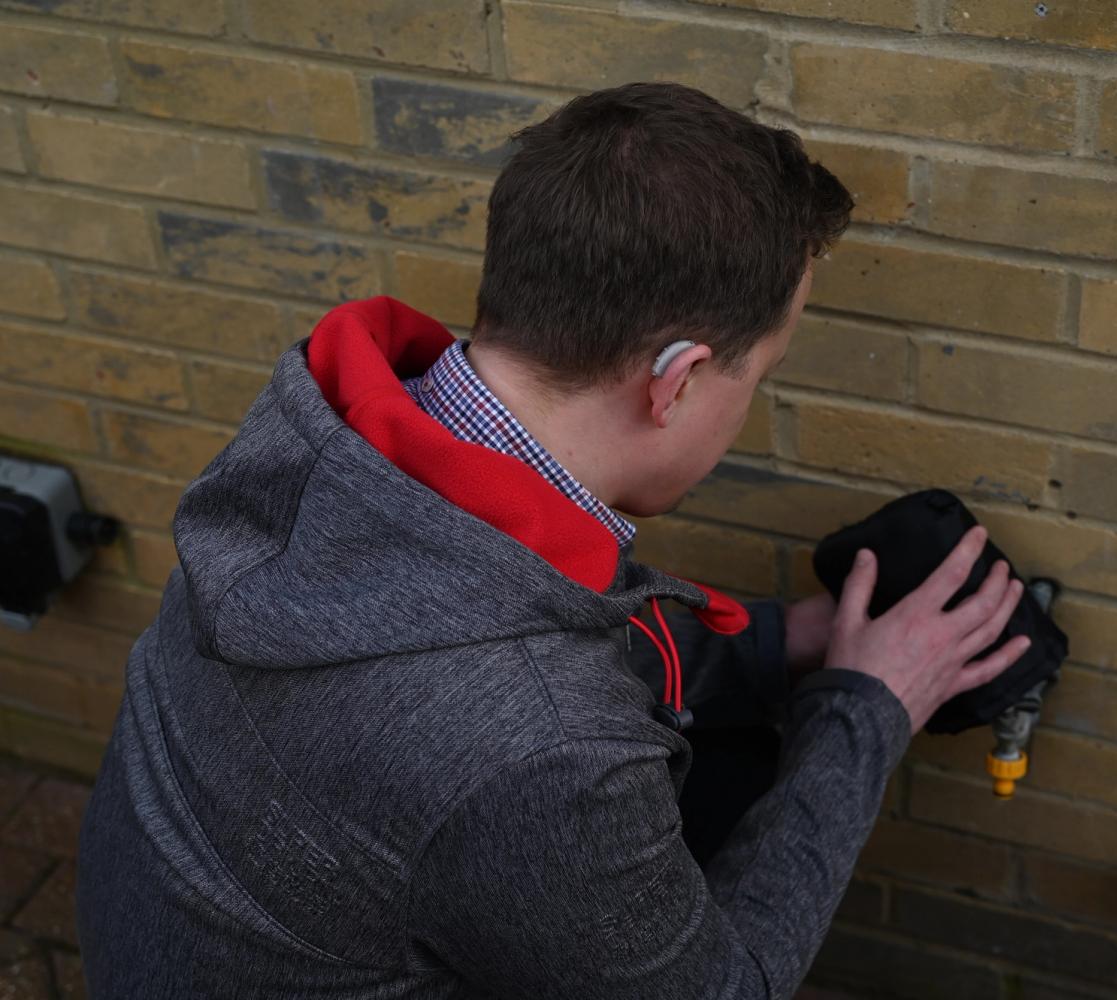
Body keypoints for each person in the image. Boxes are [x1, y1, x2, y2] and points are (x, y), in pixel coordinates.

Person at [74, 81, 1030, 999]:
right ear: (678, 379)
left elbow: (504, 618)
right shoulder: (547, 752)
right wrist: (867, 709)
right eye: (760, 374)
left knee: (725, 761)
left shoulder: (323, 448)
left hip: (178, 939)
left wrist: (796, 643)